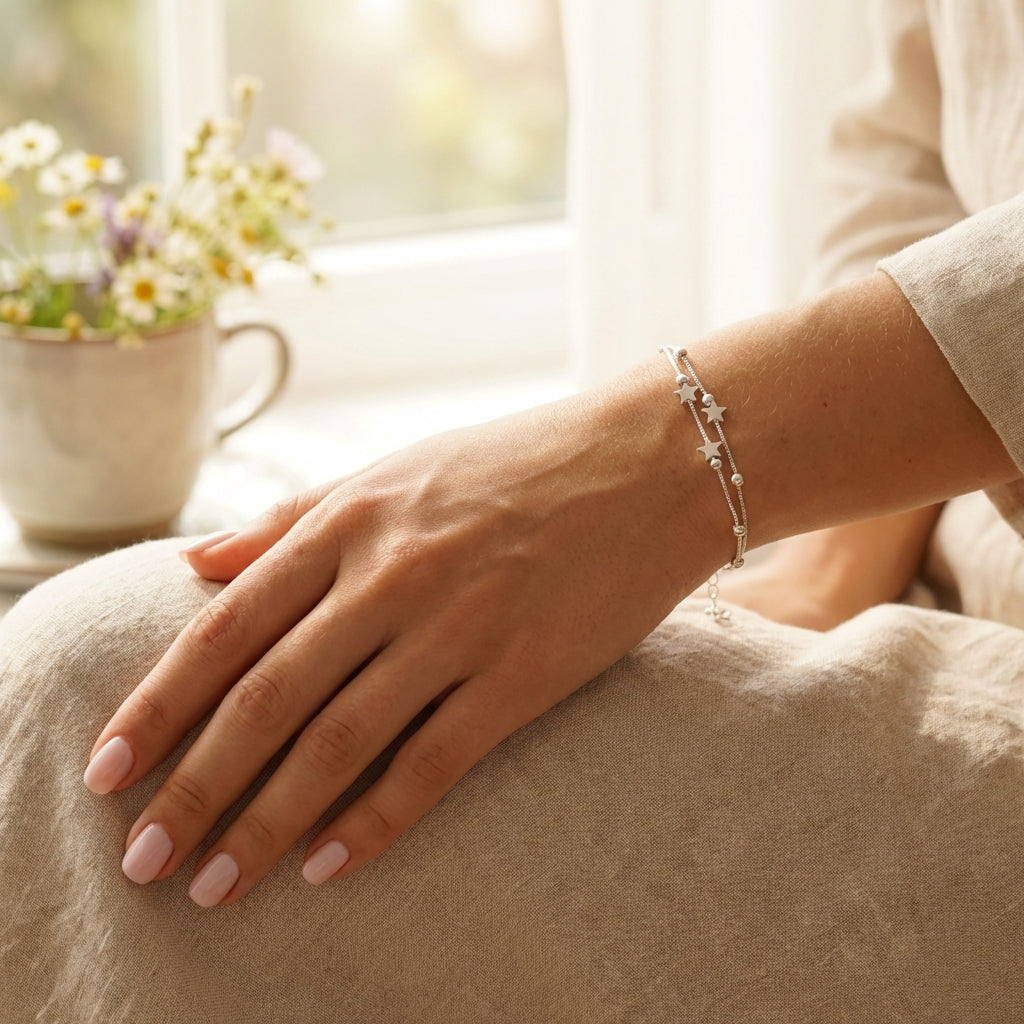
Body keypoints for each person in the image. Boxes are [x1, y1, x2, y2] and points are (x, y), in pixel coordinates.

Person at [4, 0, 1024, 1019]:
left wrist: (656, 466)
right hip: (919, 580)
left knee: (109, 696)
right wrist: (827, 570)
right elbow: (929, 140)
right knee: (126, 691)